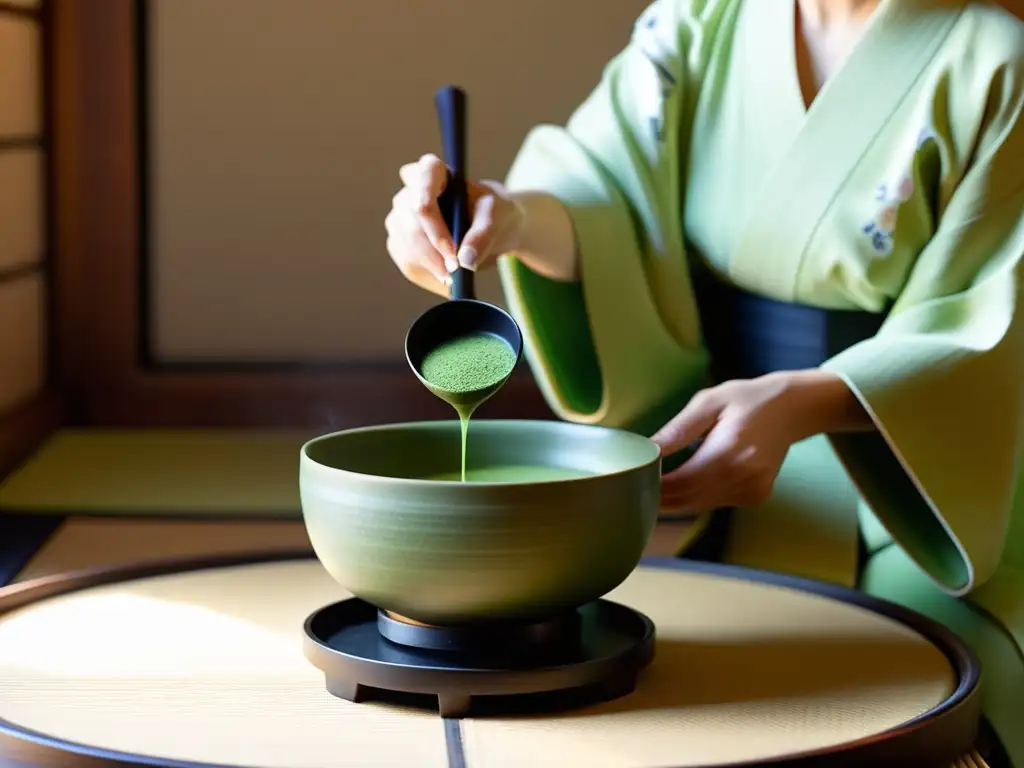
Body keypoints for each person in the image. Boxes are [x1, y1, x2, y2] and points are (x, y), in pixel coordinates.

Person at [384, 0, 1024, 762]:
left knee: (927, 704)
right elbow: (601, 202)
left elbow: (985, 321)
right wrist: (510, 220)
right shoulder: (700, 21)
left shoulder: (996, 62)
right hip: (701, 449)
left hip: (909, 482)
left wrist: (801, 403)